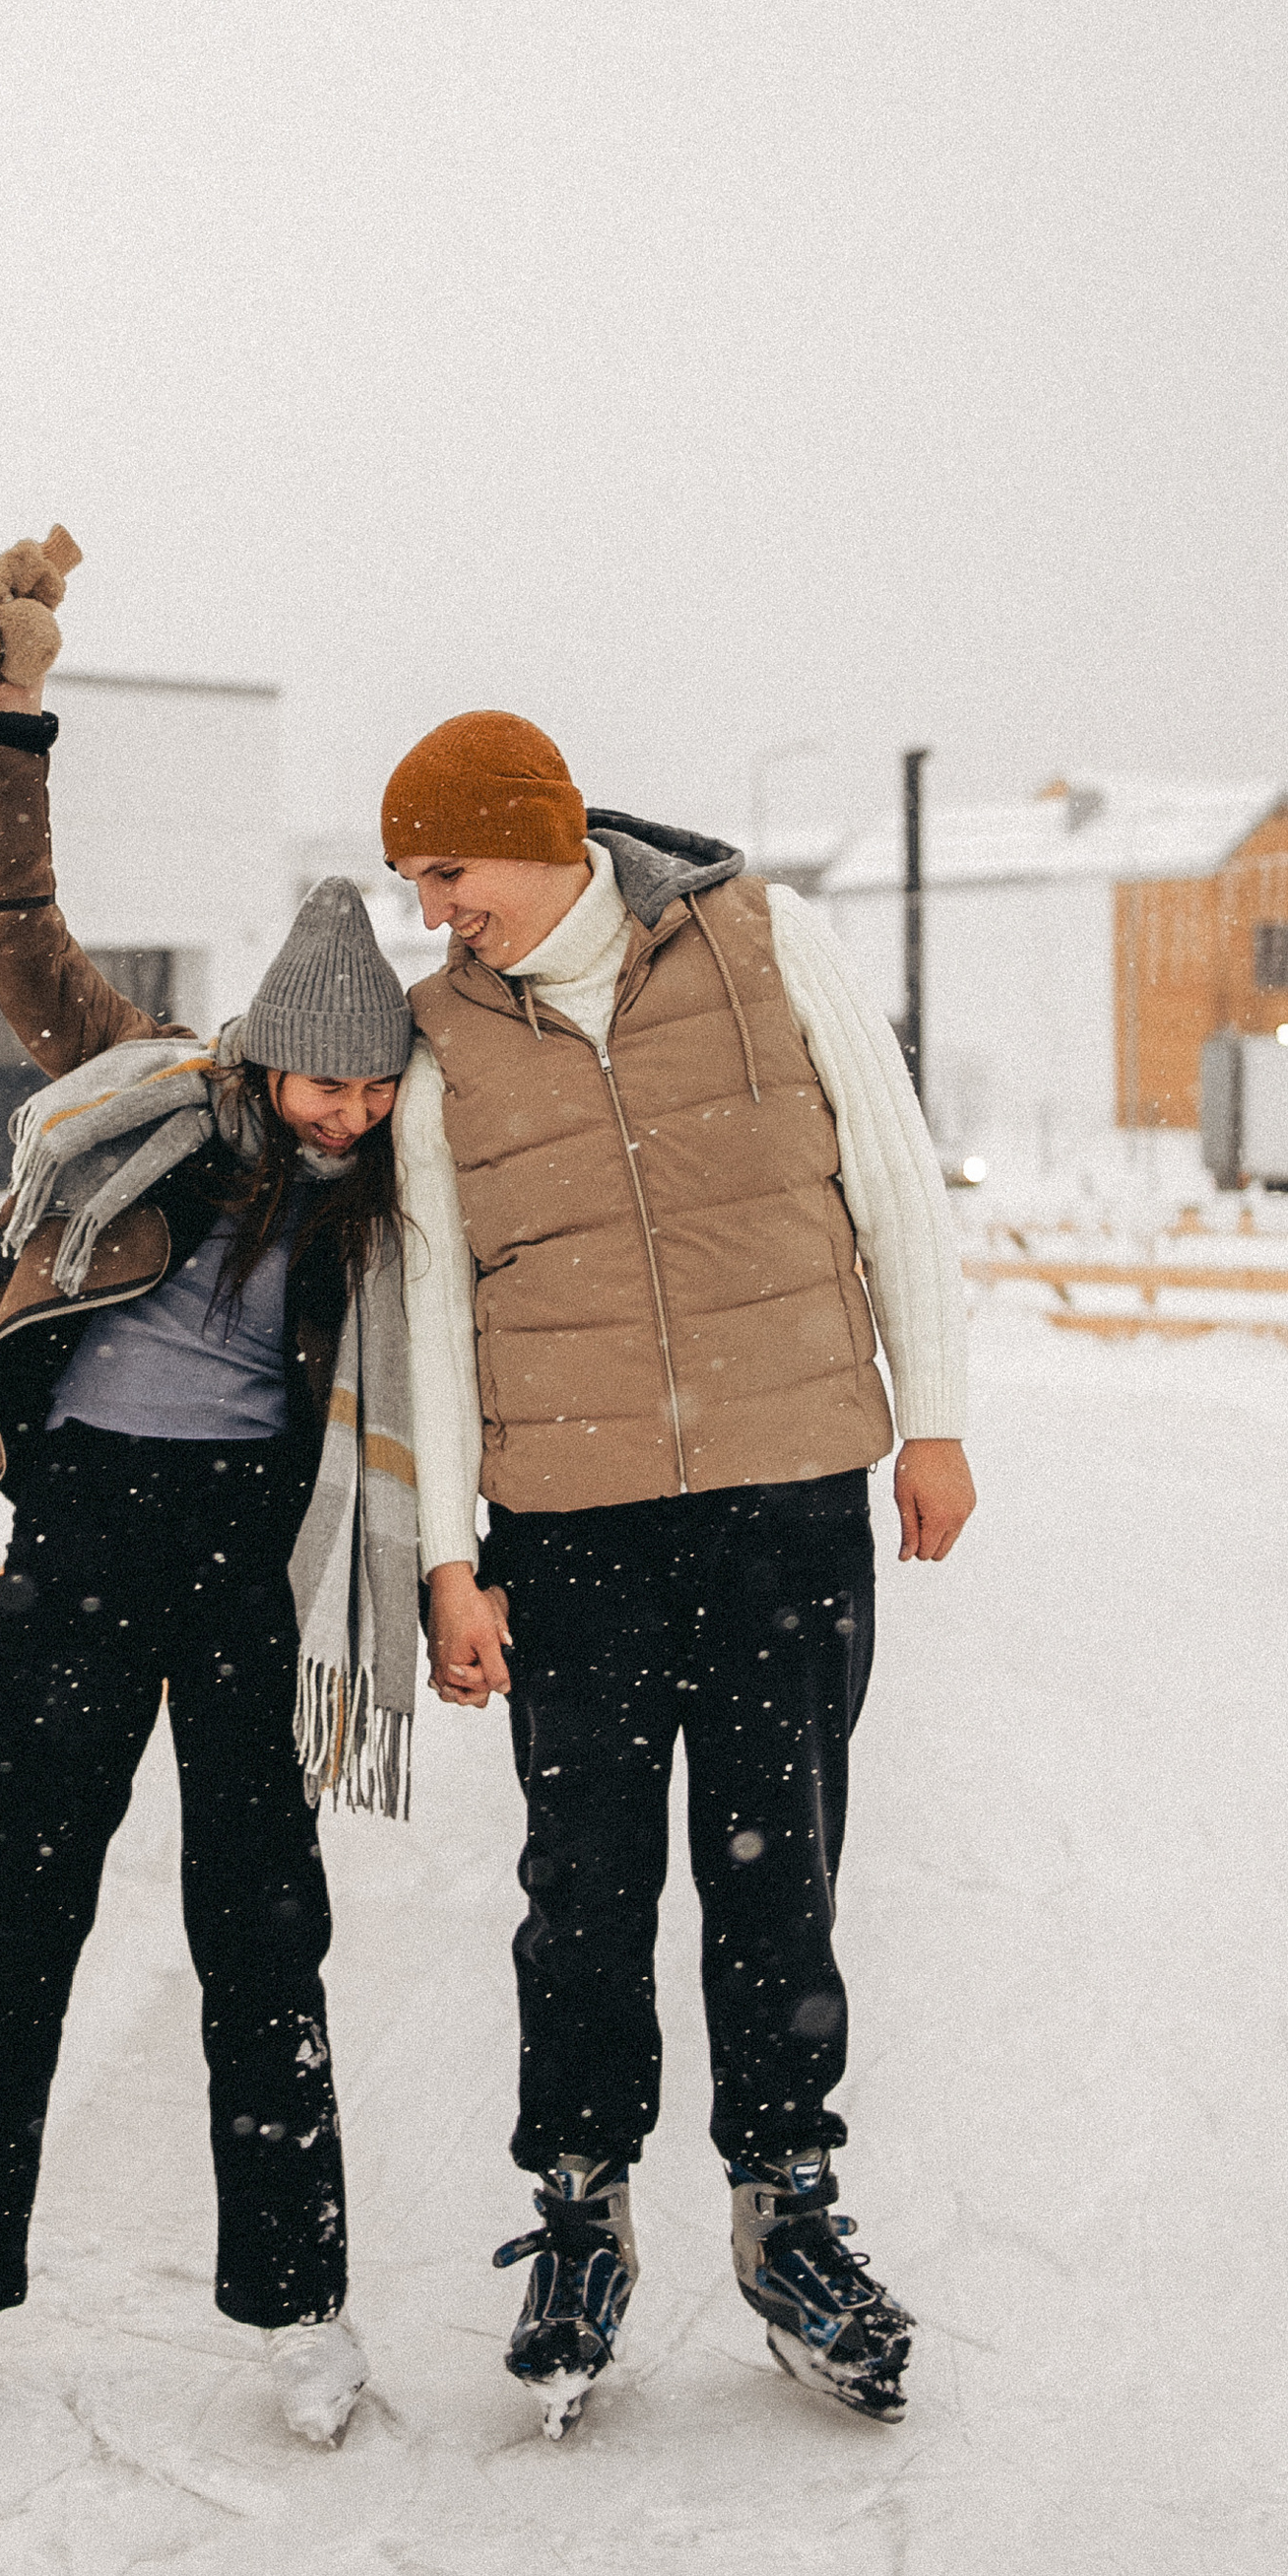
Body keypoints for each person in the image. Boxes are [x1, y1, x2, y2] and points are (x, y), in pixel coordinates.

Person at [0, 536, 424, 2455]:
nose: (346, 1115)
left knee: (262, 1934)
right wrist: (7, 715)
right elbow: (18, 931)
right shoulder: (142, 1086)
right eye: (324, 1083)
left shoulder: (378, 1209)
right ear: (265, 1052)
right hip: (84, 1538)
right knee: (17, 1920)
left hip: (247, 1563)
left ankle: (300, 2306)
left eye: (375, 1093)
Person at [383, 709, 975, 2433]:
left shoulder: (767, 940)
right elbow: (434, 1302)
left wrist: (933, 1418)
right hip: (570, 1529)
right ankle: (582, 2212)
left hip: (787, 1499)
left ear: (538, 832)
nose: (434, 910)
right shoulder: (440, 1039)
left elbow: (896, 1182)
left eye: (450, 869)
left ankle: (789, 2210)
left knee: (777, 1869)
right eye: (414, 881)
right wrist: (450, 1561)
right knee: (583, 1886)